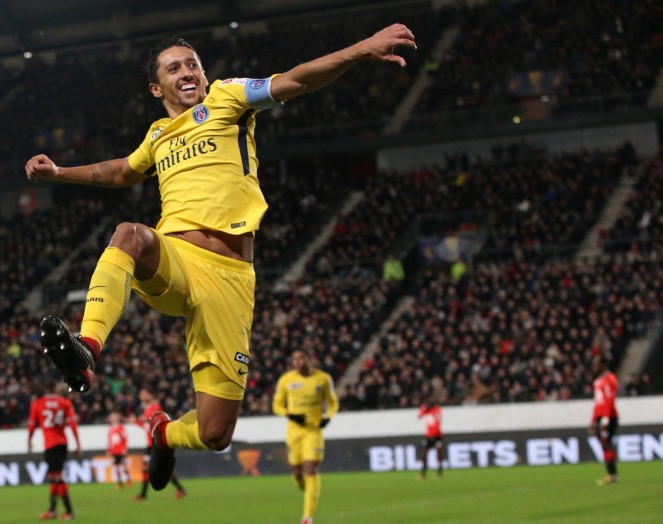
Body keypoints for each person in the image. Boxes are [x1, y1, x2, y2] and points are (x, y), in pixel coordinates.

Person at [27, 24, 416, 491]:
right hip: (177, 259)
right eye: (175, 68)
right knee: (129, 234)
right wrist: (59, 173)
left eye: (193, 64)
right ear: (157, 88)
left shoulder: (229, 98)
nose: (187, 72)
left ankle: (164, 433)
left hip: (231, 278)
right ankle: (86, 350)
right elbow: (122, 173)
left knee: (215, 433)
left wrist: (361, 49)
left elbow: (296, 80)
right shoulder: (157, 134)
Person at [272, 350, 339, 524]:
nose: (298, 362)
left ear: (310, 359)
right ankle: (306, 488)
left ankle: (307, 518)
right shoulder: (286, 380)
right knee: (297, 473)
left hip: (313, 432)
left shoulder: (323, 379)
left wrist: (328, 417)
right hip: (294, 433)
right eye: (295, 359)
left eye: (301, 358)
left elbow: (333, 403)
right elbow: (276, 404)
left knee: (311, 469)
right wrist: (290, 415)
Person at [27, 380, 82, 519]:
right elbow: (73, 425)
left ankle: (69, 511)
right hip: (62, 443)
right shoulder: (64, 402)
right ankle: (52, 511)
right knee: (53, 477)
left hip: (51, 445)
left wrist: (29, 442)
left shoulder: (37, 403)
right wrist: (78, 444)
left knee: (57, 477)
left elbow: (32, 425)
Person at [133, 385, 186, 501]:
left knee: (155, 469)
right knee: (146, 468)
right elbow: (147, 425)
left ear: (149, 394)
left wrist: (142, 419)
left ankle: (180, 489)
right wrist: (137, 421)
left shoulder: (155, 406)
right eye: (140, 394)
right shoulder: (147, 408)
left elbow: (157, 420)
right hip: (149, 443)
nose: (141, 396)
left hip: (155, 443)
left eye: (143, 394)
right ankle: (143, 494)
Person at [589, 360, 619, 485]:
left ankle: (612, 474)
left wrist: (606, 418)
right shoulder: (598, 381)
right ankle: (612, 474)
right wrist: (593, 420)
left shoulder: (609, 379)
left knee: (606, 443)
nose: (594, 367)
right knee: (605, 444)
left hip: (608, 417)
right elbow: (597, 403)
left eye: (596, 365)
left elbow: (609, 399)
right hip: (601, 417)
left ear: (602, 365)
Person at [417, 396, 445, 480]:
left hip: (437, 436)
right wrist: (425, 409)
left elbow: (437, 421)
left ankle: (439, 473)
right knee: (424, 454)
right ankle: (423, 474)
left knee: (439, 453)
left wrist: (427, 410)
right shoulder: (426, 410)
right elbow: (419, 416)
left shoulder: (437, 410)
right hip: (428, 436)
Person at [106, 411, 131, 489]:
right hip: (114, 450)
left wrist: (125, 448)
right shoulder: (110, 429)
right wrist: (108, 450)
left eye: (114, 416)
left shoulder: (121, 427)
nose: (112, 418)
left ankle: (128, 480)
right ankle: (120, 483)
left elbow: (125, 438)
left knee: (124, 466)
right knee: (116, 467)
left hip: (121, 450)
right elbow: (109, 441)